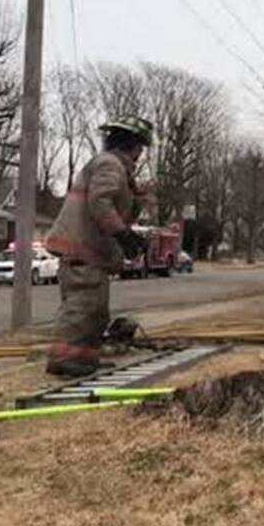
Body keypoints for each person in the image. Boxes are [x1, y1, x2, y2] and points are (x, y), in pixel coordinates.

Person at [44, 115, 154, 378]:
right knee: (82, 307)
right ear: (133, 146)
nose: (140, 155)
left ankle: (84, 360)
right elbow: (100, 203)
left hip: (89, 253)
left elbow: (115, 207)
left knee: (95, 311)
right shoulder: (110, 165)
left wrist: (137, 198)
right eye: (140, 148)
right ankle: (64, 360)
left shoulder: (116, 169)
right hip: (82, 251)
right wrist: (124, 235)